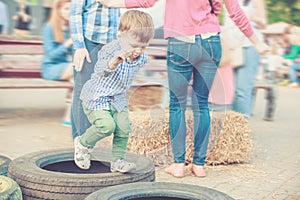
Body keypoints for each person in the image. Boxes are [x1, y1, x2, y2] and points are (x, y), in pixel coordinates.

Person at [99, 0, 269, 178]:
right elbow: (235, 12)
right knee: (201, 104)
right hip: (211, 42)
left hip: (181, 42)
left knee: (177, 105)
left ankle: (178, 164)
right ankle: (199, 164)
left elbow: (147, 2)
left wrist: (113, 3)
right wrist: (257, 43)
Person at [74, 10, 155, 173]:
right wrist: (112, 65)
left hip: (117, 99)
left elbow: (136, 64)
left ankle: (118, 161)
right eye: (134, 45)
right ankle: (82, 143)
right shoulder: (109, 50)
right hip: (96, 97)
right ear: (120, 35)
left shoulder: (142, 57)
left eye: (143, 46)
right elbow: (99, 72)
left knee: (124, 128)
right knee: (106, 126)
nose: (138, 50)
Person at [69, 0, 121, 139]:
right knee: (83, 91)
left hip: (109, 42)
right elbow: (75, 13)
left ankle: (90, 139)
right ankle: (79, 140)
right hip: (88, 41)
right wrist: (79, 46)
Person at [224, 0, 267, 120]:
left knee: (242, 91)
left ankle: (242, 131)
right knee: (229, 90)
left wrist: (253, 18)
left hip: (248, 46)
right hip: (231, 47)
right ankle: (230, 129)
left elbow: (263, 24)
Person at [41, 0, 74, 126]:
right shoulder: (49, 27)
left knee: (77, 78)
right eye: (66, 9)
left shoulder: (71, 28)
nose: (69, 12)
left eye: (71, 9)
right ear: (58, 9)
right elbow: (51, 55)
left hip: (67, 68)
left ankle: (69, 116)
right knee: (78, 71)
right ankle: (69, 116)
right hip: (51, 67)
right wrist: (68, 43)